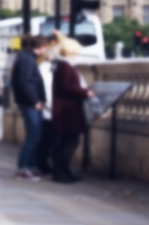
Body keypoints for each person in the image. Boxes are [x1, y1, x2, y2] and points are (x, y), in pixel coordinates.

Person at [50, 36, 93, 184]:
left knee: (67, 141)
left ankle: (64, 170)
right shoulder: (65, 66)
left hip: (68, 109)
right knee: (69, 141)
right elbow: (66, 87)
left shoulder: (64, 65)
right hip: (67, 110)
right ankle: (61, 171)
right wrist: (84, 92)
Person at [10, 35, 48, 181]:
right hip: (30, 103)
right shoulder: (27, 60)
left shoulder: (27, 58)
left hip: (30, 102)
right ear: (39, 47)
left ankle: (30, 167)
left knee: (35, 135)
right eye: (44, 47)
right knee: (33, 136)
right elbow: (24, 82)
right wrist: (35, 100)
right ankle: (23, 168)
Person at [36, 31, 62, 175]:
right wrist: (50, 105)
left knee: (45, 139)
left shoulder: (44, 67)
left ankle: (42, 164)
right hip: (48, 108)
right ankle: (42, 165)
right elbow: (47, 88)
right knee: (46, 139)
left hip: (47, 108)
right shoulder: (46, 68)